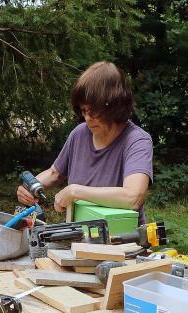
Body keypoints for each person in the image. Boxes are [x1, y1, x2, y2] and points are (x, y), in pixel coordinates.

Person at [16, 61, 153, 220]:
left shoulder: (136, 141)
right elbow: (54, 173)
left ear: (114, 105)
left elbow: (133, 197)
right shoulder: (80, 133)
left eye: (94, 110)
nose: (87, 118)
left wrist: (75, 192)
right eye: (84, 110)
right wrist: (31, 187)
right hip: (78, 235)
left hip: (122, 240)